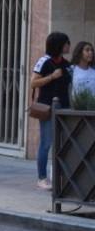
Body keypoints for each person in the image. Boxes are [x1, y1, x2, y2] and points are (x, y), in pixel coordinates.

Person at [31, 31, 71, 189]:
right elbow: (33, 83)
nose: (69, 46)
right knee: (46, 142)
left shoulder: (66, 63)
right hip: (47, 107)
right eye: (66, 43)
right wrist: (51, 77)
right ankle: (41, 177)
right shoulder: (44, 61)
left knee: (62, 143)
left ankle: (57, 176)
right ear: (59, 45)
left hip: (64, 106)